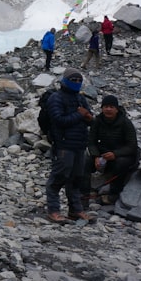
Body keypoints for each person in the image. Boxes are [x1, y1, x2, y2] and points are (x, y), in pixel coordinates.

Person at [44, 67, 93, 224]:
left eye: (79, 80)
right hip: (63, 144)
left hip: (79, 145)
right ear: (65, 81)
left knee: (76, 178)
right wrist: (80, 114)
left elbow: (90, 118)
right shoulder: (56, 98)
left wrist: (87, 116)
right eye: (74, 80)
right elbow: (58, 120)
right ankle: (53, 210)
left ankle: (75, 210)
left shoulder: (80, 98)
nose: (77, 83)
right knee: (58, 177)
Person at [80, 95, 138, 206]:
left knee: (121, 164)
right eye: (106, 106)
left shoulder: (125, 123)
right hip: (103, 153)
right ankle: (84, 195)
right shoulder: (98, 121)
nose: (108, 109)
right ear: (102, 108)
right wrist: (96, 156)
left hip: (122, 155)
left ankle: (113, 194)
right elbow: (91, 141)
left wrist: (115, 154)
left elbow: (132, 146)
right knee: (85, 161)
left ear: (117, 109)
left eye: (111, 107)